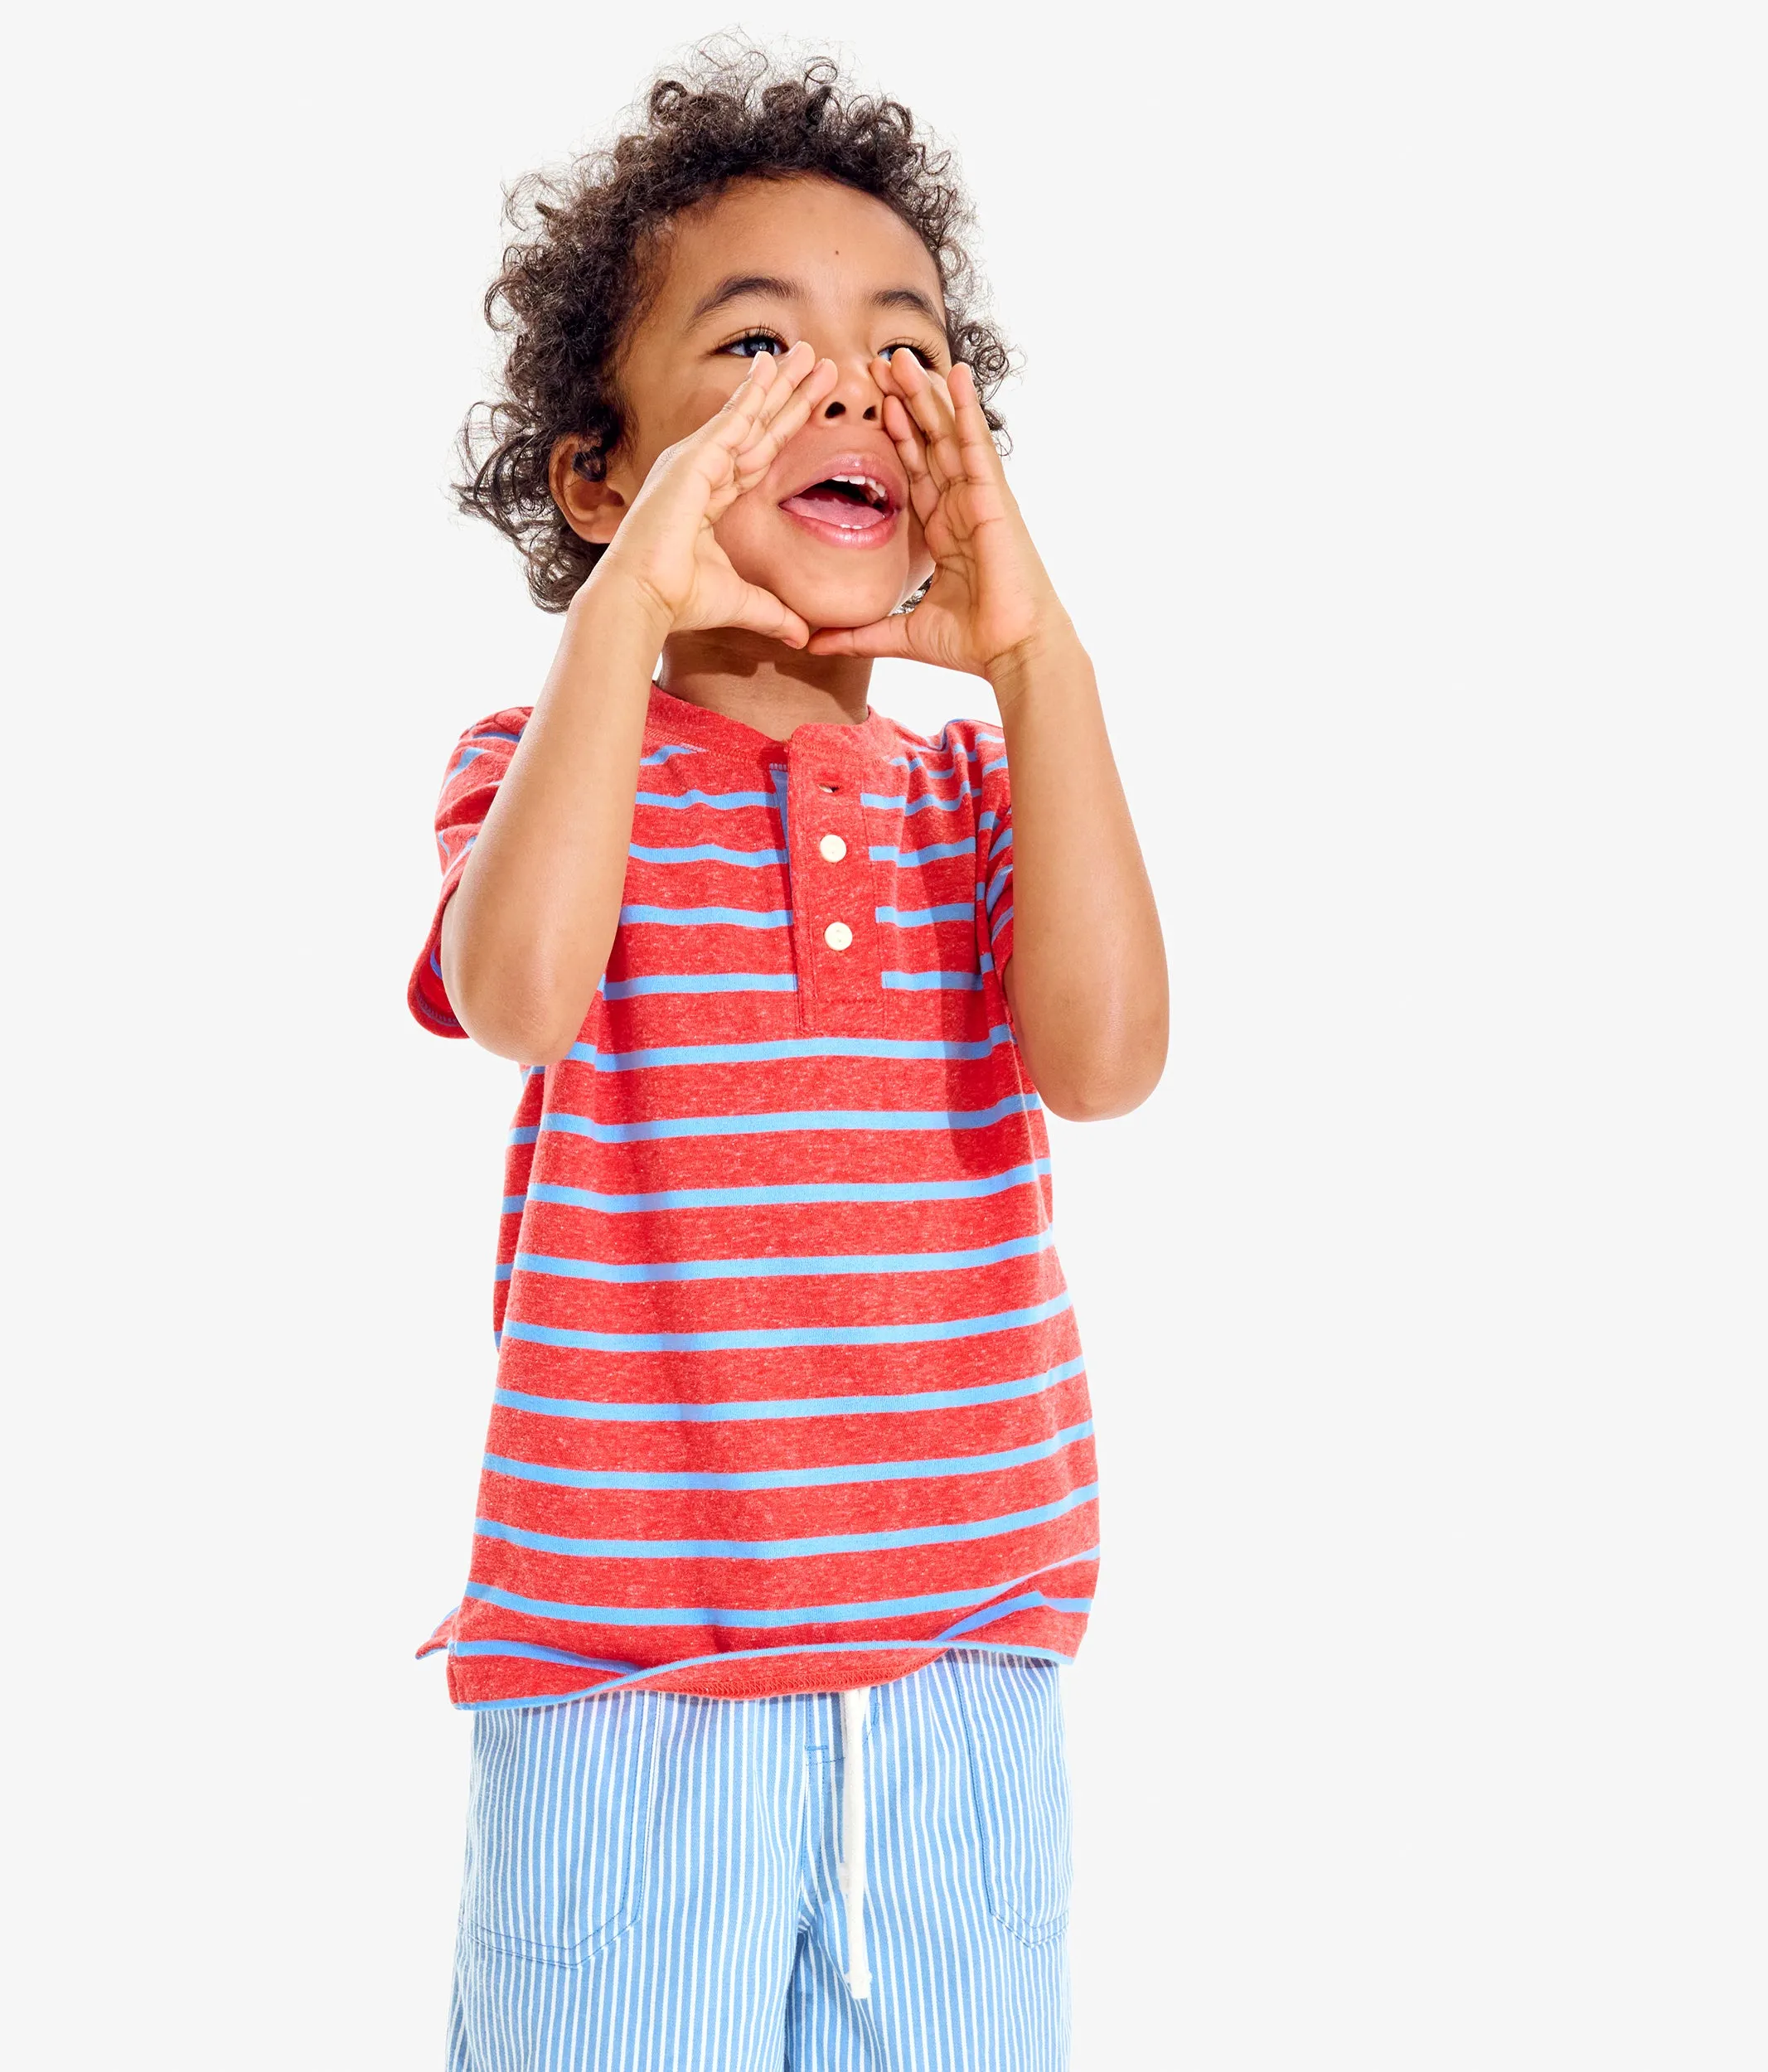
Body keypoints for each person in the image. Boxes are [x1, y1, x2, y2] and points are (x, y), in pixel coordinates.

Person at [412, 47, 1167, 2072]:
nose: (842, 384)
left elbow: (1101, 1060)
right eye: (757, 347)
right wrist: (628, 616)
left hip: (960, 1674)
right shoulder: (549, 766)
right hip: (634, 1680)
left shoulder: (969, 798)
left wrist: (1040, 662)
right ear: (599, 473)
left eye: (903, 357)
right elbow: (520, 992)